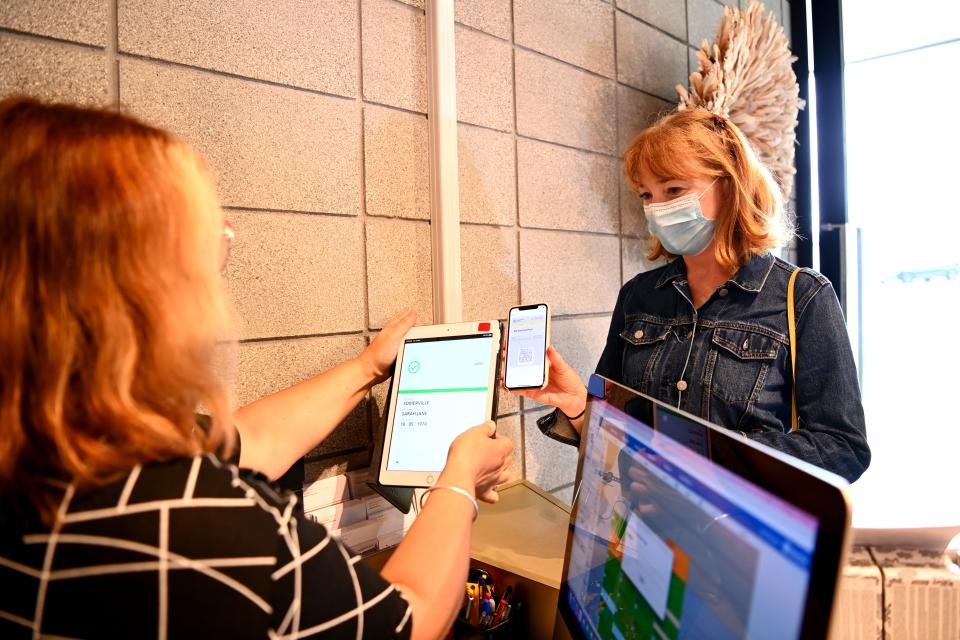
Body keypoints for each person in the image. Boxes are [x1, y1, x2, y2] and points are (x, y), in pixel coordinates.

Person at [0, 97, 513, 639]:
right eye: (211, 249)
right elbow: (408, 623)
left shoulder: (60, 446)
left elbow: (247, 439)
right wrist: (457, 481)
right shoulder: (202, 531)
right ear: (135, 291)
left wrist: (368, 367)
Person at [512, 108, 870, 483]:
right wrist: (576, 407)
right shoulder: (638, 296)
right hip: (640, 528)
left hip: (737, 533)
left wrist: (714, 454)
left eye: (674, 190)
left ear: (729, 185)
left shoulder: (803, 296)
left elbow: (843, 448)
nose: (657, 208)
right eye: (647, 195)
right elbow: (611, 439)